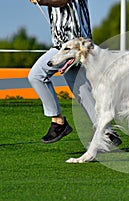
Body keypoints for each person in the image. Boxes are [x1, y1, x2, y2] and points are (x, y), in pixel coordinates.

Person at [28, 0, 121, 146]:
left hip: (73, 46)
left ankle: (58, 122)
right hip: (68, 45)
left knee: (36, 75)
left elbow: (62, 1)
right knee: (82, 90)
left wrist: (42, 1)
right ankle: (107, 132)